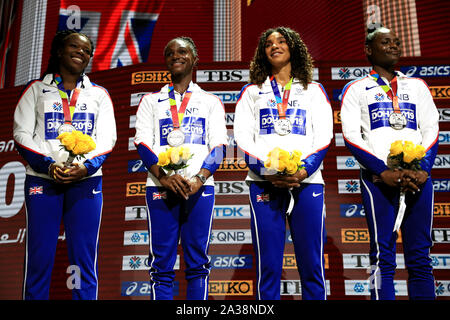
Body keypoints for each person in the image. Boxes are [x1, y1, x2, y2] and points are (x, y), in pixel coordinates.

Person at [13, 30, 117, 300]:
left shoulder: (99, 94)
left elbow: (108, 138)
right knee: (39, 255)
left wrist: (87, 167)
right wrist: (47, 165)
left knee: (84, 257)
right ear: (59, 51)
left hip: (86, 182)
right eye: (74, 47)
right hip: (42, 179)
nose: (81, 53)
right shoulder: (36, 89)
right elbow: (21, 133)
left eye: (86, 51)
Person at [340, 23, 439, 300]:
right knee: (382, 256)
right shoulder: (356, 88)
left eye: (396, 41)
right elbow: (350, 135)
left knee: (420, 255)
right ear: (368, 50)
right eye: (386, 42)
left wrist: (423, 169)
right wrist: (382, 170)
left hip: (419, 178)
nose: (394, 46)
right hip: (378, 180)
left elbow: (431, 128)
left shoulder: (417, 86)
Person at [233, 27, 333, 300]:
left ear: (294, 47)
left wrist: (303, 171)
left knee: (312, 266)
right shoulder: (252, 92)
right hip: (265, 184)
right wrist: (268, 171)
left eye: (281, 41)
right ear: (262, 53)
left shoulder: (313, 90)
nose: (274, 46)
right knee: (268, 267)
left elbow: (324, 136)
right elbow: (242, 140)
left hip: (307, 183)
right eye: (268, 43)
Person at [134, 36, 228, 300]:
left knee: (197, 264)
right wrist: (164, 177)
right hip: (160, 188)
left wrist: (199, 178)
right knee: (161, 265)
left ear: (194, 58)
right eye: (170, 52)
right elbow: (142, 143)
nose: (176, 56)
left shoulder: (210, 101)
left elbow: (219, 147)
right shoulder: (150, 101)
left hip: (199, 188)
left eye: (183, 51)